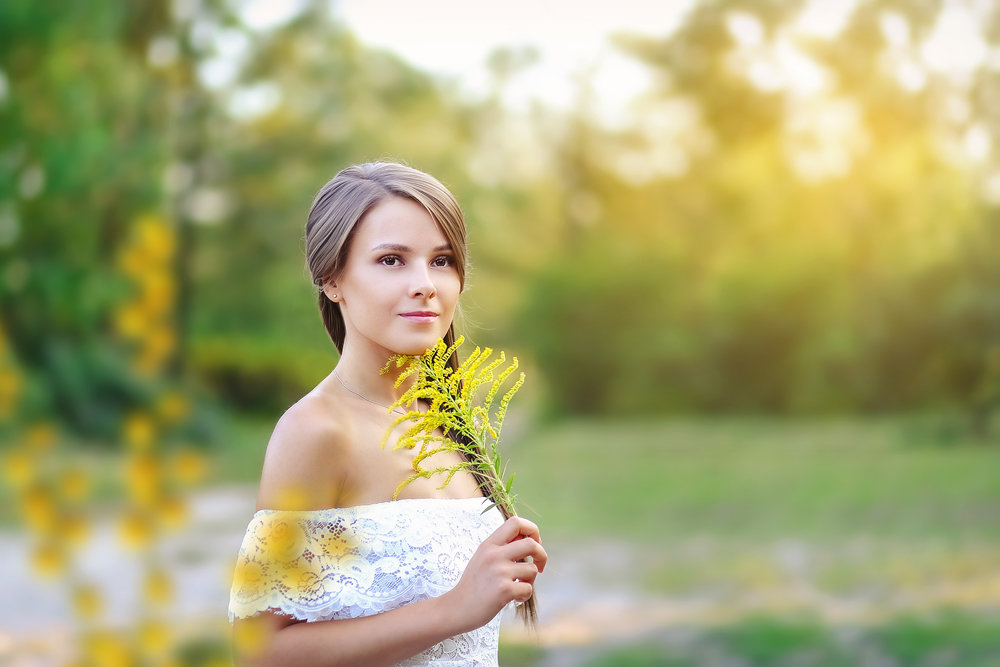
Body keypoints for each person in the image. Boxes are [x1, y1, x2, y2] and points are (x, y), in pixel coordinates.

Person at [228, 162, 547, 667]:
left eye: (441, 260)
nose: (425, 284)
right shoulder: (316, 432)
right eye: (392, 260)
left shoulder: (447, 420)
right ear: (333, 279)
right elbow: (258, 650)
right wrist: (454, 608)